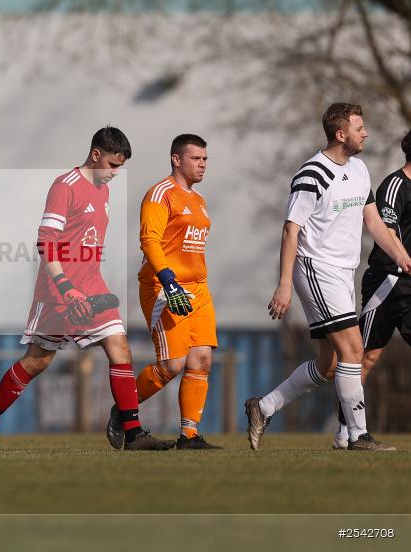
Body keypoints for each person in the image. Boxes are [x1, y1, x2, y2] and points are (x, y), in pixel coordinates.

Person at [0, 126, 174, 452]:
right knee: (37, 361)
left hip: (92, 287)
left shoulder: (103, 191)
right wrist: (66, 288)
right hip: (58, 292)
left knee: (120, 348)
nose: (115, 173)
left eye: (120, 167)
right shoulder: (65, 186)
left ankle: (134, 434)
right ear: (96, 154)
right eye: (112, 165)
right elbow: (46, 242)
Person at [245, 104, 411, 451]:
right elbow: (291, 230)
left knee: (330, 364)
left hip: (343, 272)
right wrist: (285, 284)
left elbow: (374, 223)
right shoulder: (312, 173)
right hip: (316, 268)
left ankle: (264, 407)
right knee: (354, 349)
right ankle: (357, 436)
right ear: (340, 134)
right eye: (359, 128)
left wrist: (402, 257)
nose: (365, 133)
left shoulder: (359, 169)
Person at [107, 134, 221, 450]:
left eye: (205, 159)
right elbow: (150, 241)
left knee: (202, 360)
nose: (202, 164)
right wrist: (169, 280)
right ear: (176, 159)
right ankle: (123, 409)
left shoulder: (199, 200)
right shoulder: (160, 194)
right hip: (164, 287)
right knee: (173, 364)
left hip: (198, 289)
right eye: (196, 158)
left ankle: (189, 436)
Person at [332, 128, 411, 448]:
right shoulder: (395, 185)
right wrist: (404, 259)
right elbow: (387, 230)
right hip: (388, 281)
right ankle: (345, 430)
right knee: (364, 357)